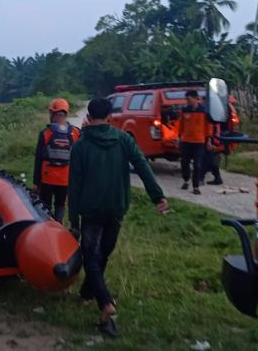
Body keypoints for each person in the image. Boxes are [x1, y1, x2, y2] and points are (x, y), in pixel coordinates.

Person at [69, 97, 169, 338]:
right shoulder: (123, 139)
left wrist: (73, 220)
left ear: (89, 118)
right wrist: (158, 197)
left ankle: (104, 302)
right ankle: (86, 293)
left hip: (90, 210)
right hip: (116, 208)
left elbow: (74, 185)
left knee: (91, 254)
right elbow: (143, 166)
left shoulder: (81, 145)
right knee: (102, 253)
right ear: (111, 117)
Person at [33, 98, 81, 222]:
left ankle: (46, 228)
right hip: (65, 180)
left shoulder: (45, 133)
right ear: (66, 114)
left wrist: (36, 183)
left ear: (53, 114)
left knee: (45, 206)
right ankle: (58, 228)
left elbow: (38, 160)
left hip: (47, 178)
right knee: (60, 205)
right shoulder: (75, 133)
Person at [178, 90, 210, 195]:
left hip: (199, 141)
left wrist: (208, 140)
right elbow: (181, 124)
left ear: (196, 98)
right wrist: (179, 137)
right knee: (184, 163)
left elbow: (208, 126)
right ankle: (186, 180)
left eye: (189, 99)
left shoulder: (203, 110)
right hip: (186, 141)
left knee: (197, 165)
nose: (187, 101)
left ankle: (196, 186)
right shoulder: (185, 110)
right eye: (186, 99)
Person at [203, 121, 225, 185]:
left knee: (208, 159)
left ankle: (201, 178)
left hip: (213, 141)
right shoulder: (217, 119)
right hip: (215, 140)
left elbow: (212, 130)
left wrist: (210, 141)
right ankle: (217, 178)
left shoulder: (212, 119)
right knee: (212, 160)